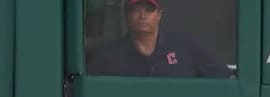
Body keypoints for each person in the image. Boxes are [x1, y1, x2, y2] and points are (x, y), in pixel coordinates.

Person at [86, 0, 233, 78]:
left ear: (158, 15)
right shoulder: (109, 55)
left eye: (149, 10)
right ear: (126, 15)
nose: (142, 16)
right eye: (135, 9)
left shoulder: (184, 47)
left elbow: (224, 78)